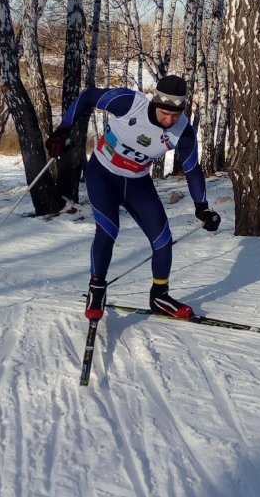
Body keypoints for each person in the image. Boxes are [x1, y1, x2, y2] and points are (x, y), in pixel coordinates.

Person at [46, 74, 221, 321]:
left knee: (162, 239)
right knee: (108, 229)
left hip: (138, 182)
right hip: (103, 174)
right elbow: (87, 97)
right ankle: (96, 289)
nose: (169, 120)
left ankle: (159, 295)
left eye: (176, 115)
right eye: (165, 113)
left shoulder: (184, 132)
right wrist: (63, 129)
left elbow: (192, 170)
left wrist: (202, 207)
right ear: (154, 103)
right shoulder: (129, 103)